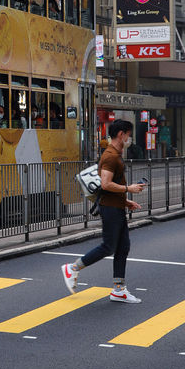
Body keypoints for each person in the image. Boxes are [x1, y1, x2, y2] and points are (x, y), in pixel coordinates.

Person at [61, 119, 146, 303]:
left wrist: (126, 201)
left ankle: (118, 289)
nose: (129, 139)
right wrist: (128, 189)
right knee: (109, 246)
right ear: (121, 134)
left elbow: (109, 185)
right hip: (110, 209)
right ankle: (73, 268)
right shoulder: (110, 156)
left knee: (123, 247)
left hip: (116, 206)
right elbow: (106, 184)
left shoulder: (115, 154)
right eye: (129, 135)